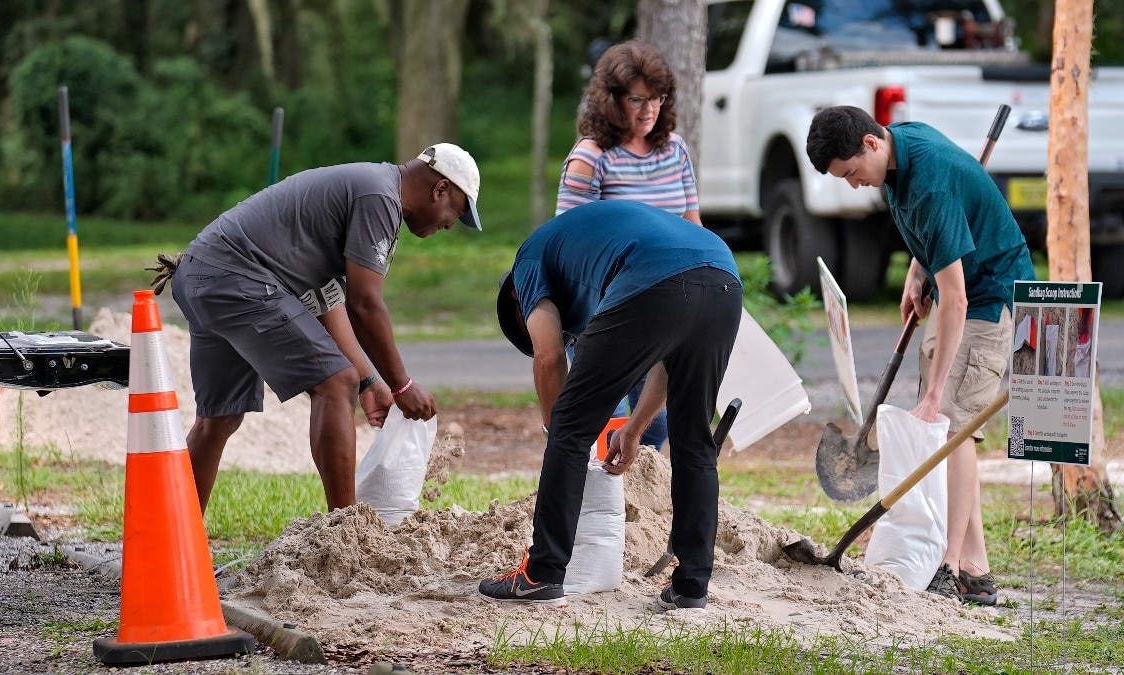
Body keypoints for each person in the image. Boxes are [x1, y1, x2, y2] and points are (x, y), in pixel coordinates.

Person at [165, 143, 482, 514]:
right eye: (453, 213)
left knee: (218, 419)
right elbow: (364, 305)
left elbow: (326, 301)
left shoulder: (369, 185)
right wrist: (402, 385)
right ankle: (344, 533)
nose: (447, 225)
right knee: (335, 382)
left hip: (203, 274)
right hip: (236, 278)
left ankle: (170, 542)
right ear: (440, 189)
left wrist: (370, 381)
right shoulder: (380, 197)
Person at [806, 106, 1035, 606]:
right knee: (946, 429)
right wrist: (916, 270)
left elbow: (956, 300)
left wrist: (933, 393)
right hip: (957, 287)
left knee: (951, 427)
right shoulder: (898, 150)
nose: (853, 185)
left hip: (987, 296)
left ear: (870, 143)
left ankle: (948, 567)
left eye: (850, 174)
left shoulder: (928, 180)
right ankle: (977, 569)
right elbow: (933, 230)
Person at [478, 199, 743, 610]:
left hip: (656, 277)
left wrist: (562, 434)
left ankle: (541, 575)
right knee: (694, 438)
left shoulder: (528, 262)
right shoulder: (586, 252)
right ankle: (692, 587)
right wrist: (634, 428)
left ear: (516, 298)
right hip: (723, 276)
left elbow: (548, 356)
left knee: (569, 424)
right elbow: (668, 364)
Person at [557, 39, 702, 451]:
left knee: (655, 427)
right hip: (607, 313)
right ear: (610, 99)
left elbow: (694, 227)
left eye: (657, 99)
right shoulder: (591, 157)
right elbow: (567, 243)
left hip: (667, 310)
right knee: (609, 420)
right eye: (637, 100)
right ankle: (601, 510)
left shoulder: (675, 150)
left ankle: (644, 512)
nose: (649, 111)